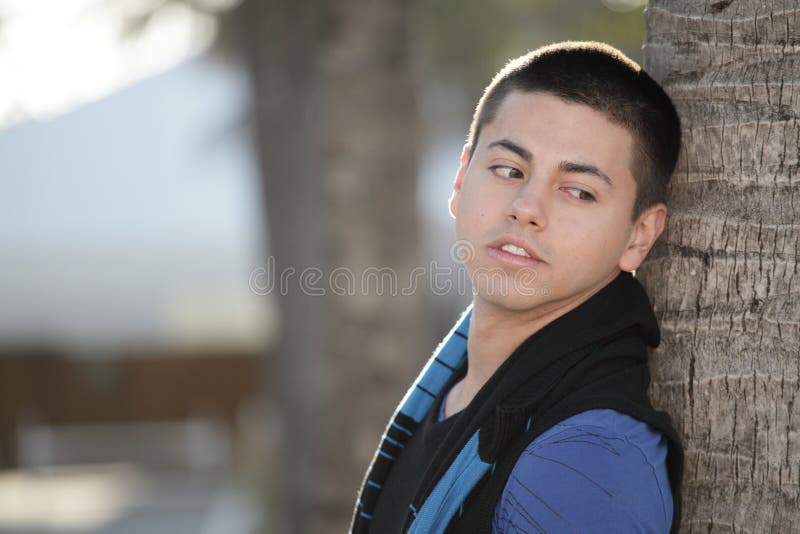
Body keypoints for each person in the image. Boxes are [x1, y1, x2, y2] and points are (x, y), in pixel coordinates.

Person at [351, 41, 684, 534]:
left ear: (638, 236)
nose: (526, 207)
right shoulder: (454, 388)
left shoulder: (587, 464)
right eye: (509, 170)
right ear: (462, 179)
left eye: (578, 191)